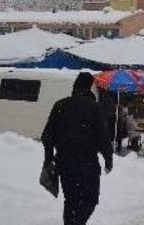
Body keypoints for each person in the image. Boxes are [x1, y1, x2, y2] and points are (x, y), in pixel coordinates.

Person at [42, 72, 113, 225]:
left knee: (71, 200)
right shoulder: (94, 108)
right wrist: (109, 159)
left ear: (75, 86)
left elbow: (47, 136)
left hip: (65, 163)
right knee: (90, 199)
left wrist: (48, 158)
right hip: (87, 164)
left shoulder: (60, 105)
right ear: (89, 87)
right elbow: (103, 137)